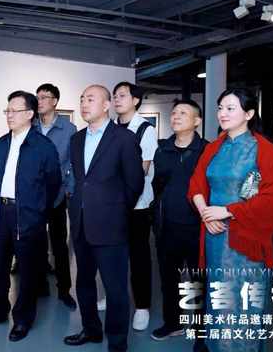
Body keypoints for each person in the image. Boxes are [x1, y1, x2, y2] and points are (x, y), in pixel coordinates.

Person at [188, 88, 273, 352]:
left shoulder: (263, 150)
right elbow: (196, 183)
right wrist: (206, 213)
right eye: (220, 108)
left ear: (249, 114)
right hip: (215, 236)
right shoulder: (214, 147)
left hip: (245, 239)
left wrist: (226, 211)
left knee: (243, 302)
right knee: (219, 300)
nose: (222, 113)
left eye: (230, 108)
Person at [64, 85, 144, 352]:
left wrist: (116, 210)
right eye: (82, 99)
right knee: (84, 283)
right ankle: (91, 330)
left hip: (111, 225)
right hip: (81, 223)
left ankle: (117, 342)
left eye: (91, 99)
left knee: (115, 288)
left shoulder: (124, 138)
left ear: (107, 105)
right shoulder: (76, 139)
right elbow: (80, 180)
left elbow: (135, 183)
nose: (84, 104)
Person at [0, 91, 61, 342]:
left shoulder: (43, 146)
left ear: (30, 114)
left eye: (15, 111)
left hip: (28, 215)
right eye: (8, 110)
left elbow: (53, 183)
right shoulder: (2, 143)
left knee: (27, 270)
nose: (9, 115)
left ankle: (23, 318)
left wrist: (38, 211)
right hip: (1, 213)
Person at [98, 81, 158, 333]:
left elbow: (141, 169)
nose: (117, 99)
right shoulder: (109, 128)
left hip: (137, 205)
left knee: (138, 256)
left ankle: (142, 306)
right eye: (115, 96)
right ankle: (113, 296)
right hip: (111, 205)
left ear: (135, 100)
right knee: (113, 255)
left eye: (122, 95)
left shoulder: (145, 129)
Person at [150, 100, 208, 342]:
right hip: (167, 227)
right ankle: (172, 323)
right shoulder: (162, 150)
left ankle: (201, 329)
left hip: (198, 228)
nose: (176, 116)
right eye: (174, 112)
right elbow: (157, 185)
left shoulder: (207, 150)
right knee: (169, 280)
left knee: (199, 281)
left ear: (197, 121)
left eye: (183, 113)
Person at [34, 83, 77, 309]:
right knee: (36, 242)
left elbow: (73, 161)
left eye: (44, 97)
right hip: (33, 195)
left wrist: (70, 187)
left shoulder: (68, 129)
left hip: (57, 195)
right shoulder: (31, 126)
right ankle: (40, 284)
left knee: (59, 244)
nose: (39, 101)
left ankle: (64, 290)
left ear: (55, 101)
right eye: (38, 97)